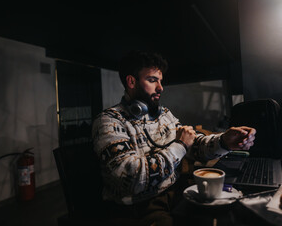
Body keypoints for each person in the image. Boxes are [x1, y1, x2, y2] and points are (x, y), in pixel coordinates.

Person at [92, 50, 256, 225]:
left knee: (231, 214)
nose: (160, 88)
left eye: (160, 81)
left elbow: (193, 144)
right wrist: (179, 146)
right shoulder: (109, 121)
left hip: (177, 192)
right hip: (140, 207)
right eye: (152, 80)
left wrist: (224, 141)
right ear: (131, 82)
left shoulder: (163, 114)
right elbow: (130, 179)